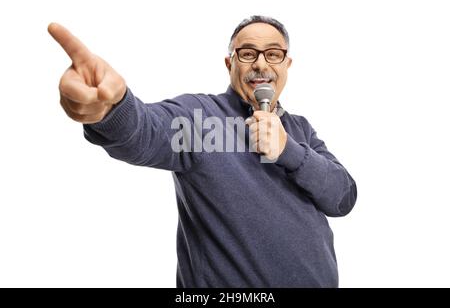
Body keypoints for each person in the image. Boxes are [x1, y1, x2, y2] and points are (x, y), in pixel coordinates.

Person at [48, 15, 357, 287]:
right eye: (248, 54)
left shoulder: (300, 129)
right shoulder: (201, 117)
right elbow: (144, 132)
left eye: (273, 54)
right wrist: (111, 109)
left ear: (286, 65)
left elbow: (342, 197)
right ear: (229, 63)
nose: (261, 64)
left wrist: (287, 149)